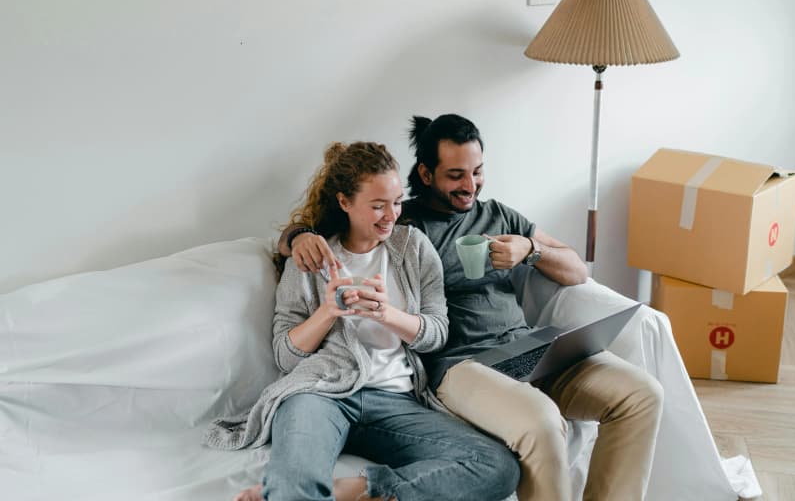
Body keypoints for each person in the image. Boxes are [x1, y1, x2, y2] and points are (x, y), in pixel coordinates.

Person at [281, 116, 665, 501]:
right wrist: (299, 237)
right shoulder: (404, 224)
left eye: (477, 172)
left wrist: (530, 251)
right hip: (462, 366)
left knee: (642, 394)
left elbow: (576, 270)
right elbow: (319, 228)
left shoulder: (499, 215)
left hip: (528, 348)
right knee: (541, 422)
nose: (469, 186)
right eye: (455, 175)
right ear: (427, 174)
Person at [206, 141, 520, 501]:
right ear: (344, 202)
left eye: (397, 202)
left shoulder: (414, 248)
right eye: (377, 206)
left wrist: (387, 314)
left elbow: (436, 334)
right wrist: (328, 312)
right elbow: (286, 356)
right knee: (294, 487)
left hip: (396, 401)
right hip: (319, 394)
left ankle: (352, 492)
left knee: (495, 465)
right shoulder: (309, 257)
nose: (392, 215)